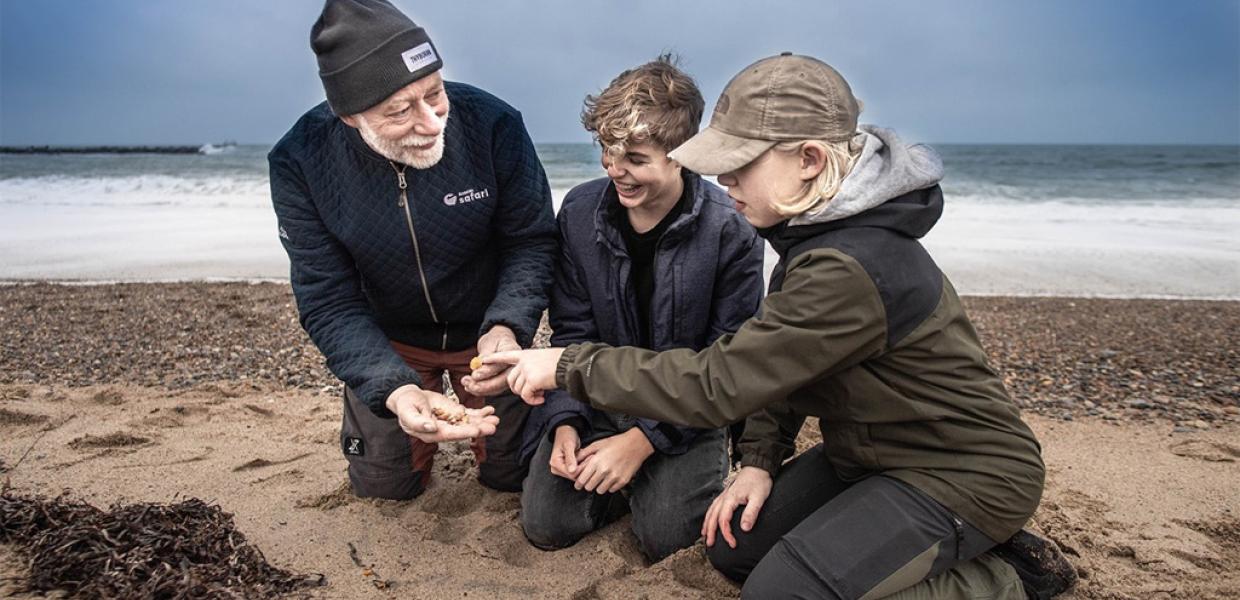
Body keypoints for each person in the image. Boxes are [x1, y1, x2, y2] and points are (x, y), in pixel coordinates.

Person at [486, 54, 1077, 599]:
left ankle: (1003, 575)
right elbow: (777, 366)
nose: (724, 183)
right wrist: (762, 460)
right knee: (730, 549)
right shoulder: (808, 233)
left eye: (739, 167)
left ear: (810, 159)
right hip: (866, 455)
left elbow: (723, 379)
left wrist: (565, 364)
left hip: (961, 471)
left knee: (779, 593)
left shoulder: (849, 264)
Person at [268, 0, 556, 500]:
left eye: (435, 93)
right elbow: (327, 298)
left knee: (514, 477)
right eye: (399, 110)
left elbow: (530, 240)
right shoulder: (300, 160)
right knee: (384, 488)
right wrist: (393, 388)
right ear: (350, 115)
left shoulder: (494, 124)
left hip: (487, 333)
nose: (430, 121)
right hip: (390, 340)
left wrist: (507, 327)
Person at [501, 56, 764, 562]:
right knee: (545, 525)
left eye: (635, 158)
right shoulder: (580, 212)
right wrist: (565, 423)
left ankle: (652, 484)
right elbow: (571, 330)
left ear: (682, 156)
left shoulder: (731, 229)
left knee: (666, 539)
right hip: (598, 399)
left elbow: (728, 358)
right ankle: (627, 487)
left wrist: (643, 442)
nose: (614, 169)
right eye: (605, 150)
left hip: (689, 405)